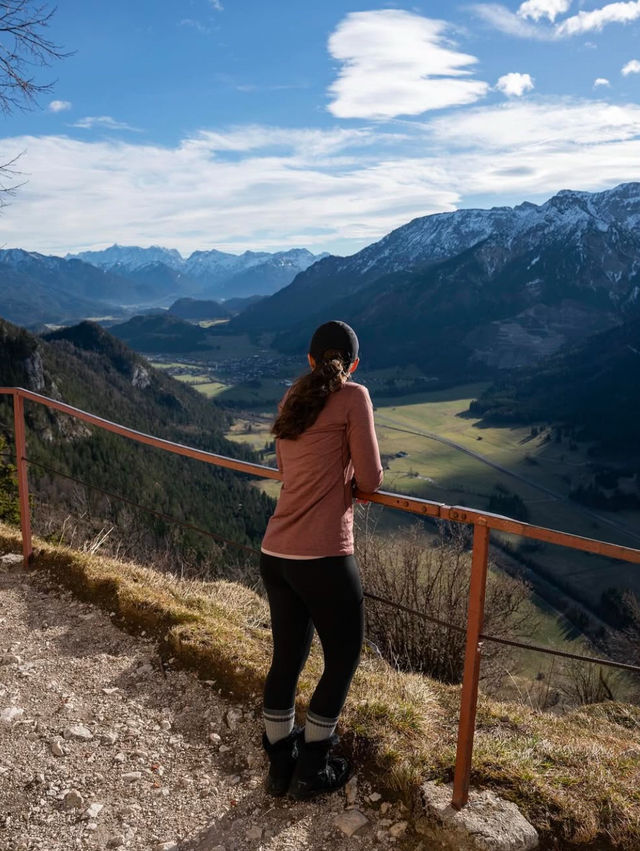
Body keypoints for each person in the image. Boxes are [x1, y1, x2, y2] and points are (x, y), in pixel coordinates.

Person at [259, 320, 383, 800]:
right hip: (324, 555)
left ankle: (279, 767)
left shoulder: (293, 397)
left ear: (310, 361)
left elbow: (284, 469)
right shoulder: (354, 396)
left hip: (276, 553)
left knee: (287, 658)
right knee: (344, 656)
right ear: (352, 364)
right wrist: (350, 480)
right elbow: (371, 478)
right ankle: (312, 766)